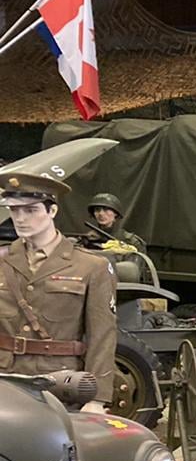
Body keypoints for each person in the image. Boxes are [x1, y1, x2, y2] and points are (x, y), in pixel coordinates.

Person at [0, 171, 117, 411]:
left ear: (52, 211)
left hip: (58, 384)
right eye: (14, 210)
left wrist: (96, 398)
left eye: (31, 210)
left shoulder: (90, 266)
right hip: (4, 380)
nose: (20, 218)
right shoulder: (3, 260)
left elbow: (102, 336)